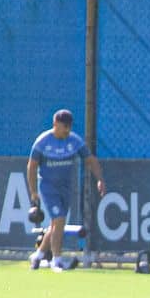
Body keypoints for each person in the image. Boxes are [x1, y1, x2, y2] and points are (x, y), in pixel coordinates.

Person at [26, 109, 106, 272]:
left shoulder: (74, 141)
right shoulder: (43, 142)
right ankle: (57, 260)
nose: (67, 130)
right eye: (64, 127)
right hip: (48, 187)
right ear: (55, 124)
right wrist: (34, 192)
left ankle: (38, 255)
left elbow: (90, 160)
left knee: (56, 223)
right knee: (60, 220)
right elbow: (32, 166)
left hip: (66, 188)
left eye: (69, 127)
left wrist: (100, 179)